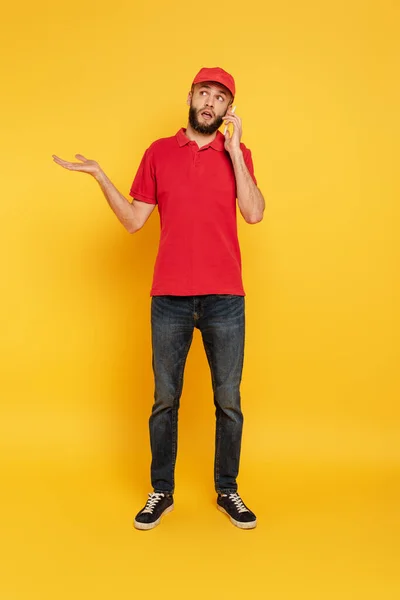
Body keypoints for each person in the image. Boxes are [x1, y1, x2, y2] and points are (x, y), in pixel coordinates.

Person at [52, 66, 265, 531]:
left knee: (228, 400)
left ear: (230, 109)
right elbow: (133, 221)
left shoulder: (238, 153)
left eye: (220, 98)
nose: (210, 103)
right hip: (168, 297)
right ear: (190, 96)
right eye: (204, 93)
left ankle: (227, 488)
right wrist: (100, 176)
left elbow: (253, 213)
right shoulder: (158, 152)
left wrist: (233, 151)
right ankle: (161, 492)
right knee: (165, 400)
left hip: (225, 297)